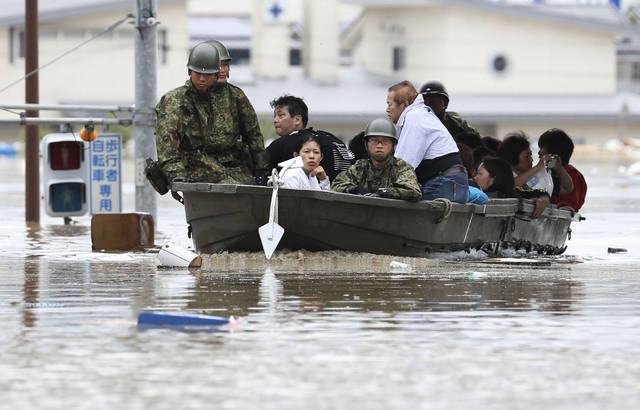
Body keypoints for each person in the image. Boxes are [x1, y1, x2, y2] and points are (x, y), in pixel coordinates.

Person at [155, 42, 268, 185]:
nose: (203, 79)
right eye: (199, 73)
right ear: (190, 71)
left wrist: (261, 169)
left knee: (256, 192)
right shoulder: (176, 100)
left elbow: (253, 134)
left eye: (208, 74)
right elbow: (168, 145)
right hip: (195, 166)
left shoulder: (234, 96)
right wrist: (176, 175)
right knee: (232, 189)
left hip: (232, 164)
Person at [387, 81, 468, 203]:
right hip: (455, 184)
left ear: (404, 104)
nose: (387, 110)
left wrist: (381, 190)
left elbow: (404, 166)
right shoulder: (422, 115)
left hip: (442, 185)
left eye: (389, 104)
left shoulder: (415, 118)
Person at [331, 118, 422, 201]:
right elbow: (336, 185)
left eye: (385, 141)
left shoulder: (401, 167)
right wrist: (356, 189)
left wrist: (384, 193)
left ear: (392, 145)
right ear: (367, 144)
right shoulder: (359, 167)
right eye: (374, 141)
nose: (379, 146)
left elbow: (413, 191)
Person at [266, 95, 354, 181]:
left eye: (280, 116)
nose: (275, 120)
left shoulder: (280, 144)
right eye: (275, 116)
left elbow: (261, 172)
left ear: (297, 120)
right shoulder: (330, 139)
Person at [538, 128, 587, 212]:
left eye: (542, 148)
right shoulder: (544, 172)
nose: (539, 152)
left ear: (553, 153)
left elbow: (570, 203)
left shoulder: (572, 174)